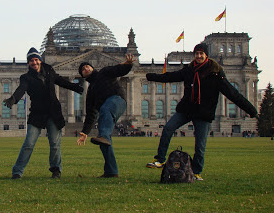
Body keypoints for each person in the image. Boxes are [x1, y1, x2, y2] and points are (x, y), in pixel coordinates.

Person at [145, 43, 257, 181]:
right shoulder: (189, 70)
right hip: (187, 109)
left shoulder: (215, 75)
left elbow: (233, 94)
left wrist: (251, 110)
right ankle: (160, 159)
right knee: (168, 128)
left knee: (200, 146)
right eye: (196, 53)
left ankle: (196, 172)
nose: (198, 56)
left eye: (201, 53)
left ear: (206, 55)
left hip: (203, 113)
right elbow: (170, 76)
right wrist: (151, 76)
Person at [4, 47, 83, 179]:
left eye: (36, 60)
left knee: (55, 144)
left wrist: (74, 86)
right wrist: (14, 99)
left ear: (40, 60)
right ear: (28, 63)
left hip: (53, 113)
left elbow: (60, 81)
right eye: (31, 61)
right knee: (29, 143)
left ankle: (56, 170)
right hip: (37, 113)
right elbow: (21, 89)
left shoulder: (50, 71)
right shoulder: (26, 77)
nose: (34, 63)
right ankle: (17, 171)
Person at [76, 53, 135, 178]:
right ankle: (111, 171)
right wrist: (85, 132)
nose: (86, 68)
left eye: (87, 66)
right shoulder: (90, 91)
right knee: (104, 140)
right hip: (106, 112)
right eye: (83, 69)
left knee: (104, 109)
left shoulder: (104, 72)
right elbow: (91, 113)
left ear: (92, 68)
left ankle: (104, 136)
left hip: (117, 100)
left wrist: (128, 64)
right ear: (82, 75)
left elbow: (118, 70)